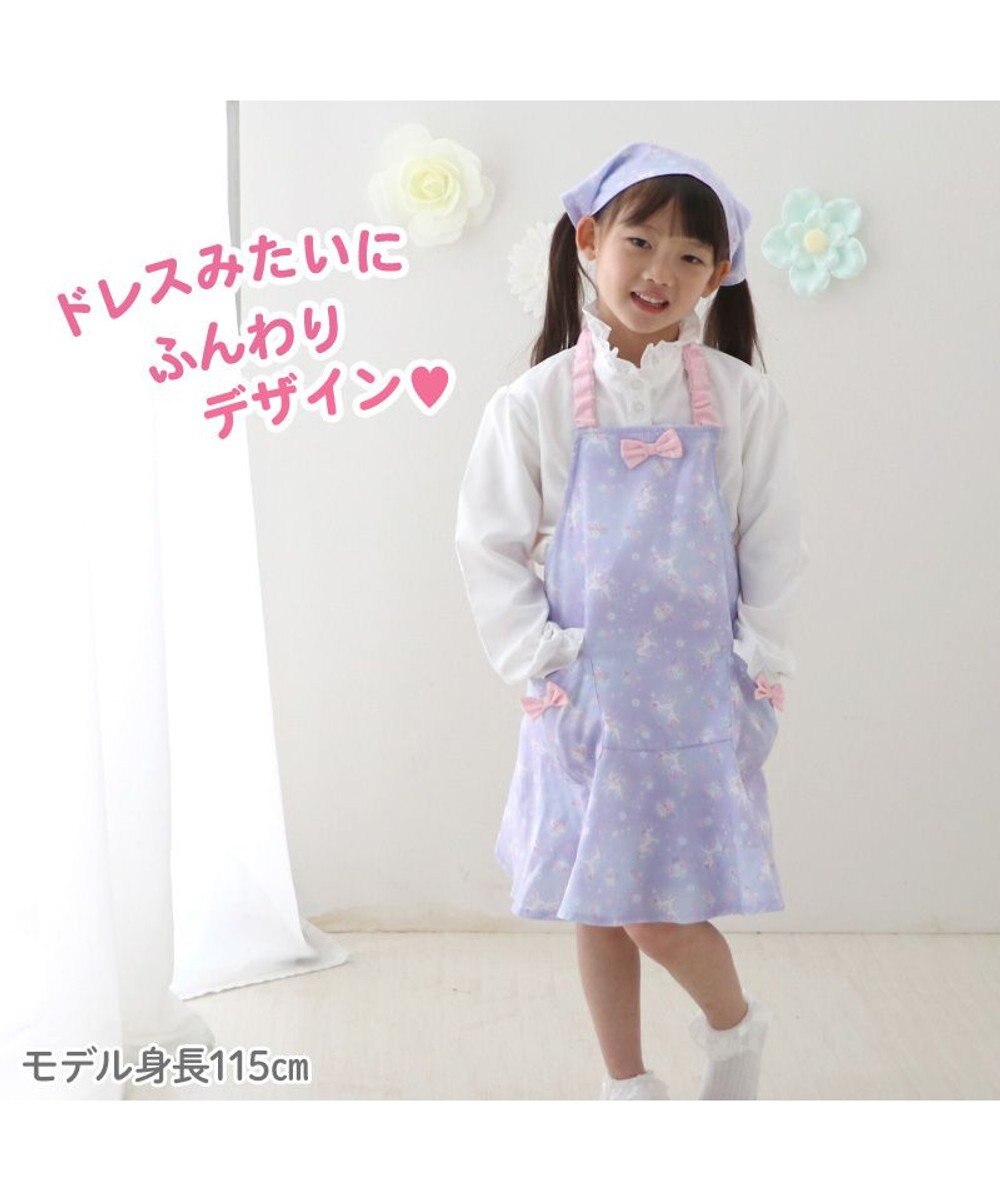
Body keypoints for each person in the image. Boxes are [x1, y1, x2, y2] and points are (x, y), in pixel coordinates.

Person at [454, 142, 809, 1101]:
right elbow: (489, 548)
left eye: (690, 255)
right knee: (600, 902)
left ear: (718, 273)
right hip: (587, 697)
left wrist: (759, 667)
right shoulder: (532, 404)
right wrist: (544, 667)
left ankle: (735, 1031)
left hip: (697, 699)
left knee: (659, 910)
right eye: (640, 242)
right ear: (589, 242)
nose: (660, 272)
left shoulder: (743, 400)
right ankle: (628, 1086)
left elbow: (772, 546)